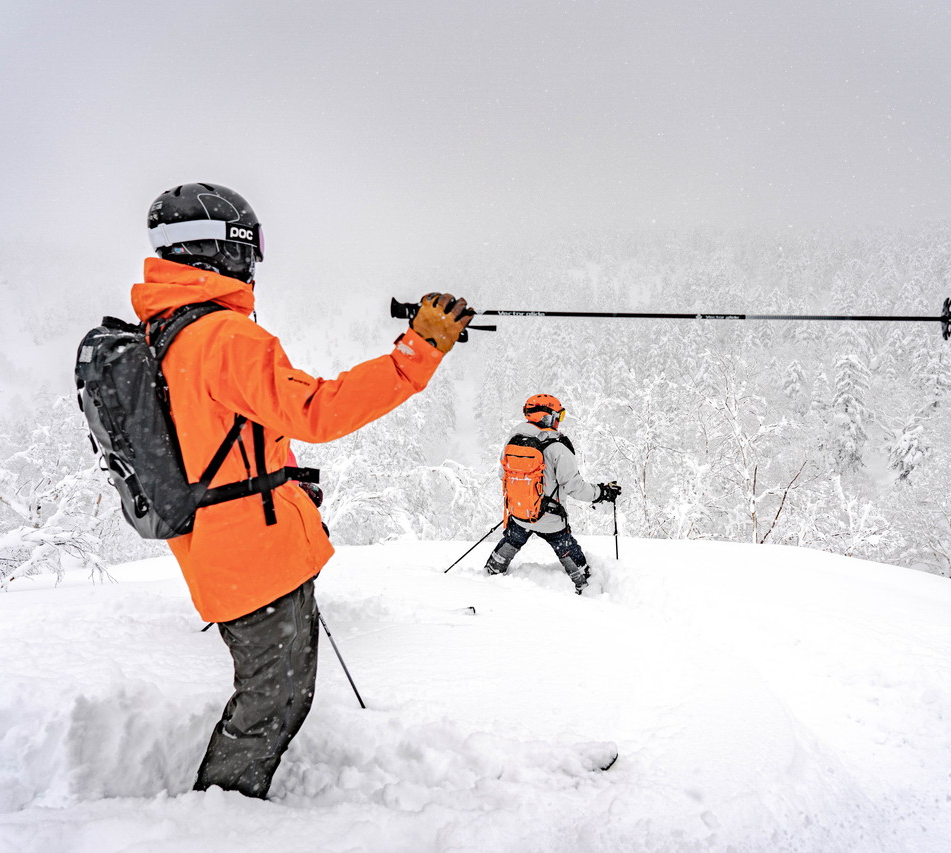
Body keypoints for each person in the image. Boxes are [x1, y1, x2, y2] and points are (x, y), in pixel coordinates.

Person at [133, 182, 472, 799]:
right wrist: (417, 353)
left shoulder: (168, 330)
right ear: (222, 251)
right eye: (249, 248)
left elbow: (220, 432)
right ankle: (218, 816)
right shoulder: (225, 337)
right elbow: (318, 411)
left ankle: (222, 809)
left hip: (217, 542)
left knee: (277, 688)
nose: (253, 263)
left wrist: (276, 474)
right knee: (277, 696)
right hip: (251, 553)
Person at [483, 394, 621, 593]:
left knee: (513, 538)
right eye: (559, 415)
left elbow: (502, 475)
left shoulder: (512, 441)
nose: (559, 421)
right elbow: (575, 487)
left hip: (520, 514)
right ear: (547, 417)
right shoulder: (558, 447)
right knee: (566, 547)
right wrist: (602, 492)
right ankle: (587, 586)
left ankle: (489, 574)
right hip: (551, 520)